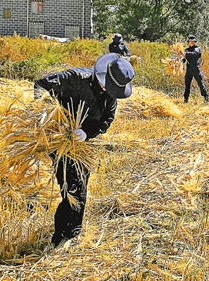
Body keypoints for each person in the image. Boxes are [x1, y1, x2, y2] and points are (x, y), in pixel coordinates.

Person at [34, 53, 135, 247]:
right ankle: (62, 236)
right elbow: (41, 86)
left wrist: (88, 133)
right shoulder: (75, 78)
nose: (109, 91)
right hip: (62, 141)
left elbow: (107, 119)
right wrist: (51, 119)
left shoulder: (111, 95)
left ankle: (72, 232)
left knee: (81, 186)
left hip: (83, 144)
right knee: (72, 187)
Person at [182, 35, 209, 103]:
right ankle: (185, 100)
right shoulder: (186, 50)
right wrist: (179, 58)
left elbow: (195, 54)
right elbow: (184, 60)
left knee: (201, 85)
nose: (192, 42)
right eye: (191, 41)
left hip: (196, 70)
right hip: (189, 70)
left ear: (195, 42)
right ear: (188, 42)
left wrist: (185, 54)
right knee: (187, 86)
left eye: (193, 41)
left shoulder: (198, 48)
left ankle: (206, 98)